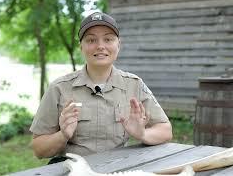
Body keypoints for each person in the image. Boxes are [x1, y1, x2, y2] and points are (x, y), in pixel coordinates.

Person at [29, 12, 173, 162]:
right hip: (75, 170)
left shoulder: (134, 84)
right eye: (91, 40)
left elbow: (165, 130)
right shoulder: (59, 88)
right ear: (81, 47)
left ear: (118, 45)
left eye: (108, 39)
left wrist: (142, 134)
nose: (100, 46)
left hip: (118, 169)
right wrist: (62, 135)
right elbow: (39, 149)